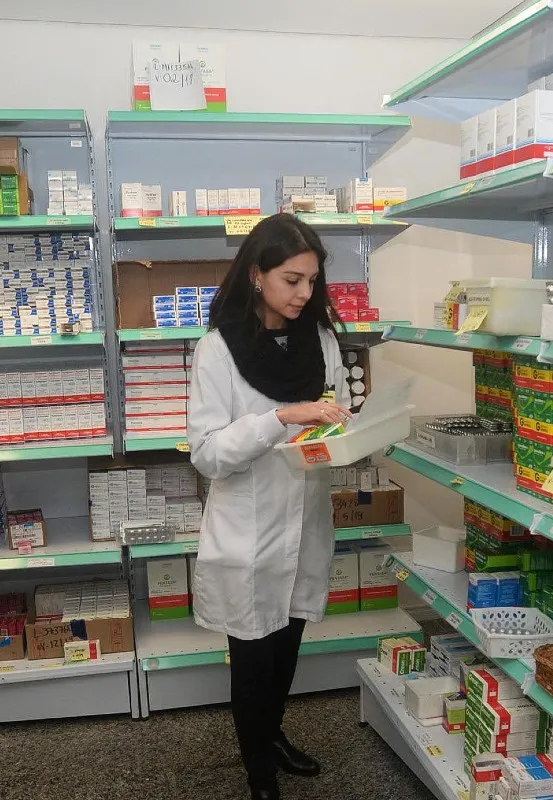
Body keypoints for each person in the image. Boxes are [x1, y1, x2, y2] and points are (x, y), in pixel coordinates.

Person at [186, 213, 352, 800]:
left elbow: (334, 414)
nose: (306, 294)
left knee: (287, 647)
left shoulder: (322, 340)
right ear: (256, 275)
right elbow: (207, 456)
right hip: (248, 532)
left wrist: (353, 430)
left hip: (305, 521)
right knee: (253, 661)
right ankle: (257, 768)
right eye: (291, 280)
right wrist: (279, 418)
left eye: (312, 281)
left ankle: (273, 734)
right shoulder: (218, 350)